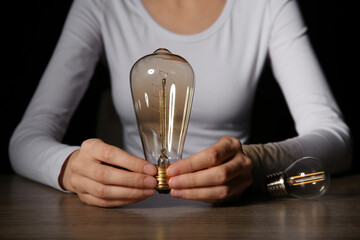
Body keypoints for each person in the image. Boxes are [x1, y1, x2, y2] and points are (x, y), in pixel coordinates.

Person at [9, 0, 352, 207]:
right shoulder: (103, 5)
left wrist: (254, 161)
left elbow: (336, 139)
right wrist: (70, 168)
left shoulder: (264, 5)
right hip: (133, 211)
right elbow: (25, 140)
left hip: (232, 210)